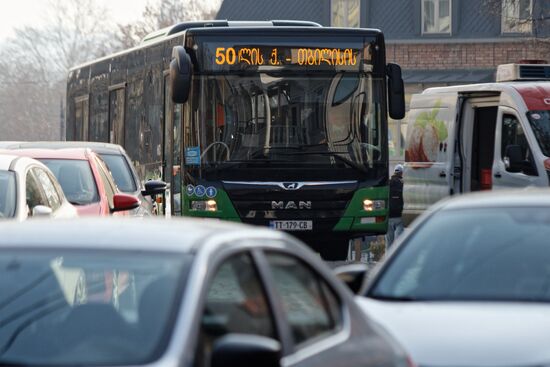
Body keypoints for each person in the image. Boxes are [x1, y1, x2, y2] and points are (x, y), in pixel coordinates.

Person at [386, 164, 404, 248]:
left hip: (389, 216)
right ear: (401, 173)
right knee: (399, 242)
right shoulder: (403, 184)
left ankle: (388, 259)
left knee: (389, 242)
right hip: (399, 216)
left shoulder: (388, 183)